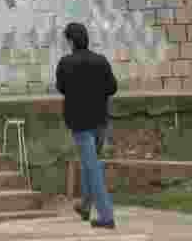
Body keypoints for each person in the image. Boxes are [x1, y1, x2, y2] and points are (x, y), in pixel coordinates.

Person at [56, 22, 118, 229]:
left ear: (71, 41)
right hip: (101, 121)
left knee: (92, 168)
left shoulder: (65, 63)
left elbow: (61, 88)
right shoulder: (101, 61)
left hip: (80, 123)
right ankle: (85, 205)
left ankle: (106, 216)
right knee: (90, 165)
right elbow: (112, 88)